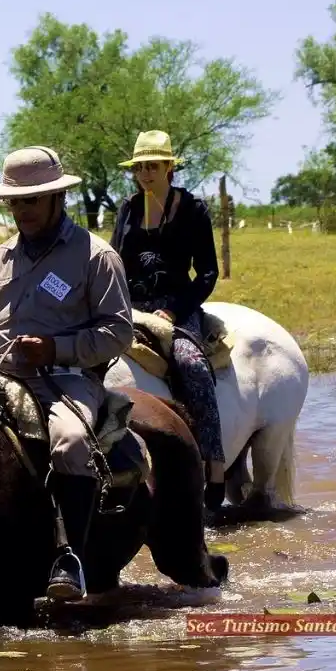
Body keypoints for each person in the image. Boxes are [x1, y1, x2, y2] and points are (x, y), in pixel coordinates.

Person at [0, 146, 135, 602]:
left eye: (32, 200)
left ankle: (69, 558)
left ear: (58, 198)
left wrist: (55, 348)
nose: (22, 211)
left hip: (66, 379)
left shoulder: (95, 256)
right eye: (15, 202)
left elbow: (119, 331)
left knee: (71, 442)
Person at [109, 130, 225, 512]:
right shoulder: (127, 209)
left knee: (192, 365)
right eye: (139, 167)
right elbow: (114, 262)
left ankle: (215, 464)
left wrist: (174, 310)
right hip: (130, 306)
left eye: (153, 166)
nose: (145, 174)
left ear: (169, 168)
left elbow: (207, 273)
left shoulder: (193, 210)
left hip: (176, 308)